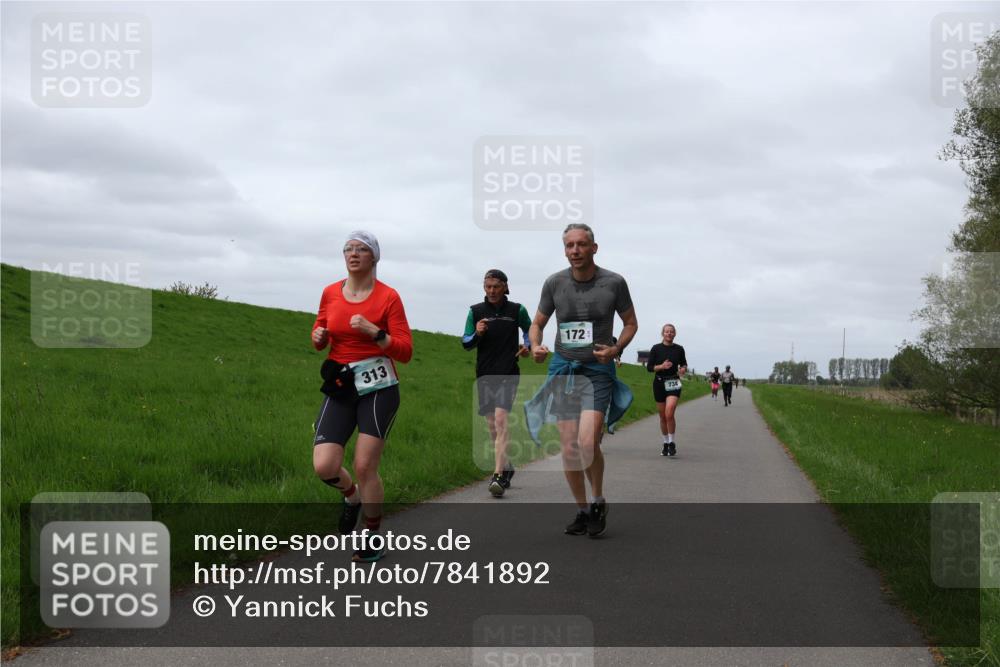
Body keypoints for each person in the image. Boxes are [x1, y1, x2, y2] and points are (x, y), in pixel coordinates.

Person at [527, 223, 638, 537]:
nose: (574, 251)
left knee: (588, 443)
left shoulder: (614, 282)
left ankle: (598, 499)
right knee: (569, 448)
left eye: (580, 245)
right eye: (569, 246)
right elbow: (538, 323)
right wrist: (536, 345)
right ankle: (583, 510)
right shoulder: (554, 283)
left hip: (597, 371)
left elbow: (630, 323)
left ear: (594, 248)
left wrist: (617, 348)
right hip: (564, 368)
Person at [311, 231, 413, 562]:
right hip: (342, 384)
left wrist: (376, 332)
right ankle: (351, 498)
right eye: (348, 249)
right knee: (324, 465)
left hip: (379, 388)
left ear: (374, 258)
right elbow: (320, 336)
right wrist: (317, 336)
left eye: (361, 249)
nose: (353, 254)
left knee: (365, 464)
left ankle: (371, 534)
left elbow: (406, 350)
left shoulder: (389, 298)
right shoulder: (330, 292)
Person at [461, 269, 531, 498]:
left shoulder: (516, 310)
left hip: (509, 372)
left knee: (501, 420)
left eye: (496, 286)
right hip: (485, 373)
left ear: (505, 287)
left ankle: (498, 475)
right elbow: (466, 342)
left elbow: (530, 331)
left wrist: (528, 345)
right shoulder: (476, 312)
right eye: (487, 286)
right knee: (493, 426)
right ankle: (507, 465)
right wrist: (477, 333)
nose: (491, 291)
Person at [646, 324, 688, 456]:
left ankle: (672, 443)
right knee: (663, 416)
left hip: (673, 382)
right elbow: (649, 368)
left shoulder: (679, 349)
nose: (669, 334)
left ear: (675, 334)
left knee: (669, 412)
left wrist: (683, 369)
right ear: (662, 334)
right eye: (666, 332)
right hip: (659, 382)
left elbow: (684, 364)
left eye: (671, 332)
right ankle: (665, 442)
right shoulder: (656, 348)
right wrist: (662, 366)